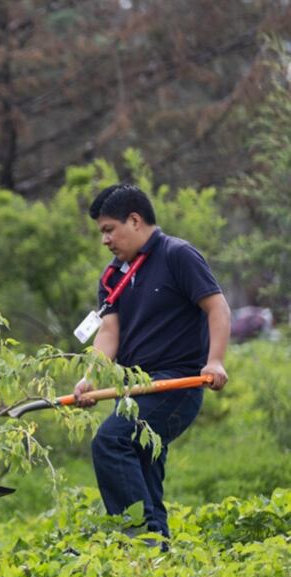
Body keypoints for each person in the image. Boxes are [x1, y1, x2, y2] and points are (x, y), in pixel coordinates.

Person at [74, 184, 230, 546]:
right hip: (132, 389)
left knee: (111, 442)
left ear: (135, 219)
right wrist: (89, 380)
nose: (105, 240)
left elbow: (217, 307)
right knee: (142, 462)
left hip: (176, 385)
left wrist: (215, 361)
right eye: (101, 232)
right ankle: (157, 550)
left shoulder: (178, 255)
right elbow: (108, 332)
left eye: (109, 229)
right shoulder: (112, 276)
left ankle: (139, 540)